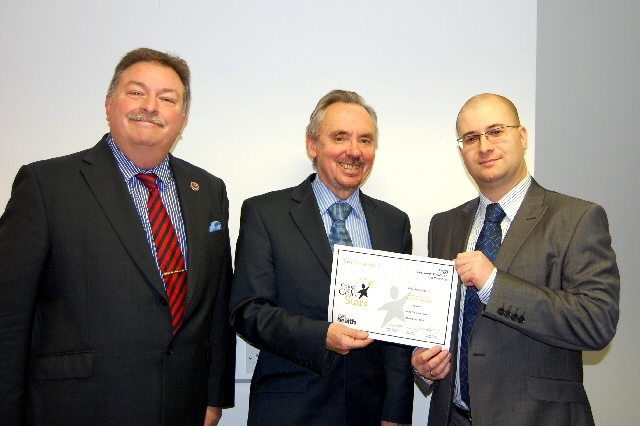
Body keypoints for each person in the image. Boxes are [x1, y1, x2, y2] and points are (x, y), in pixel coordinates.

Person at [0, 47, 236, 425]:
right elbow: (8, 319)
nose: (151, 106)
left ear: (183, 119)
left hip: (181, 407)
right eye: (137, 92)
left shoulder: (207, 190)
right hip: (78, 408)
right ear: (109, 104)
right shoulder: (46, 185)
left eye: (167, 98)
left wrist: (214, 396)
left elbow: (217, 301)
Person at [411, 93, 620, 426]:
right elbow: (438, 324)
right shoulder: (444, 225)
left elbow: (596, 324)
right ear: (461, 150)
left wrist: (495, 285)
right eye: (471, 138)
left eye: (495, 131)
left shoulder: (576, 218)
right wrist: (425, 365)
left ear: (522, 137)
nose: (484, 145)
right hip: (452, 418)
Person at [230, 90, 414, 426]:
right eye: (340, 137)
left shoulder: (394, 223)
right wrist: (321, 336)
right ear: (312, 145)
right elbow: (248, 310)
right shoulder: (265, 214)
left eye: (365, 140)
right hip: (289, 412)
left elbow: (397, 333)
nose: (354, 151)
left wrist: (397, 413)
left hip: (369, 413)